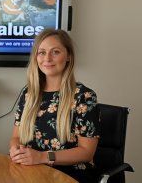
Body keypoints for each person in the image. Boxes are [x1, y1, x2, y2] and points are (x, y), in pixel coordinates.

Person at [9, 29, 99, 183]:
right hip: (31, 171)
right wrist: (16, 150)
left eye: (55, 52)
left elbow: (86, 153)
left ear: (69, 56)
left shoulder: (84, 96)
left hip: (70, 176)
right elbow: (16, 137)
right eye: (42, 52)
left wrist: (41, 157)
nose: (47, 58)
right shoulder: (29, 93)